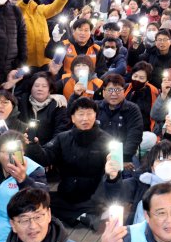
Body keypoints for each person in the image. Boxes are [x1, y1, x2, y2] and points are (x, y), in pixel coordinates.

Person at [26, 97, 111, 228]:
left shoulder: (107, 140)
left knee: (102, 205)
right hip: (67, 193)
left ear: (96, 116)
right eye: (81, 114)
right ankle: (81, 216)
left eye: (89, 114)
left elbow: (113, 174)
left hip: (94, 195)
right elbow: (45, 158)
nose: (85, 118)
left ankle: (80, 214)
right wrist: (33, 145)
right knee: (41, 202)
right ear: (73, 118)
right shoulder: (63, 138)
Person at [96, 140, 171, 229]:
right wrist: (113, 177)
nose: (165, 163)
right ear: (152, 167)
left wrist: (168, 226)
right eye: (160, 160)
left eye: (170, 159)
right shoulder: (141, 181)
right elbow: (117, 196)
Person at [14, 0, 68, 68]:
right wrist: (24, 1)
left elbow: (54, 8)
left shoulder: (39, 9)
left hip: (45, 60)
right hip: (26, 62)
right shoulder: (14, 11)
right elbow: (17, 14)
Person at [96, 73, 143, 164]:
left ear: (124, 92)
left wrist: (125, 158)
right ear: (103, 92)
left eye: (118, 90)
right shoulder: (95, 107)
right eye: (110, 90)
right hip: (98, 154)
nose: (114, 93)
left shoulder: (132, 109)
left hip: (124, 154)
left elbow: (134, 135)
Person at [16, 72, 70, 145]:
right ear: (31, 88)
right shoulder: (23, 101)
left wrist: (48, 148)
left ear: (50, 89)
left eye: (44, 86)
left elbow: (60, 131)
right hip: (23, 146)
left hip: (48, 149)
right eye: (36, 85)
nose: (40, 89)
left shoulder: (58, 104)